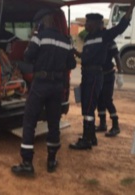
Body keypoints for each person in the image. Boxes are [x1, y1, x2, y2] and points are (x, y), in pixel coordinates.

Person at [11, 8, 76, 176]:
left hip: (40, 84)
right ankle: (52, 161)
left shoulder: (39, 37)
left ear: (43, 22)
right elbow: (72, 64)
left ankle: (27, 163)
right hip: (57, 87)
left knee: (30, 121)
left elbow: (28, 57)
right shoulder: (66, 40)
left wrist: (34, 37)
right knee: (53, 123)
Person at [69, 0, 135, 150]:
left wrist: (131, 7)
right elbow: (86, 57)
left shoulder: (104, 36)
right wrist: (75, 52)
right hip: (86, 74)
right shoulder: (87, 39)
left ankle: (86, 139)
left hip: (95, 75)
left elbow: (121, 26)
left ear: (95, 23)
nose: (86, 24)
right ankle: (91, 137)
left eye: (88, 22)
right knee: (87, 105)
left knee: (89, 107)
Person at [96, 40, 123, 137]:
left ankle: (116, 126)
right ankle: (102, 124)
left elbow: (117, 57)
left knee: (107, 100)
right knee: (99, 100)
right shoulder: (96, 39)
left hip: (108, 75)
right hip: (99, 75)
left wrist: (120, 74)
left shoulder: (110, 41)